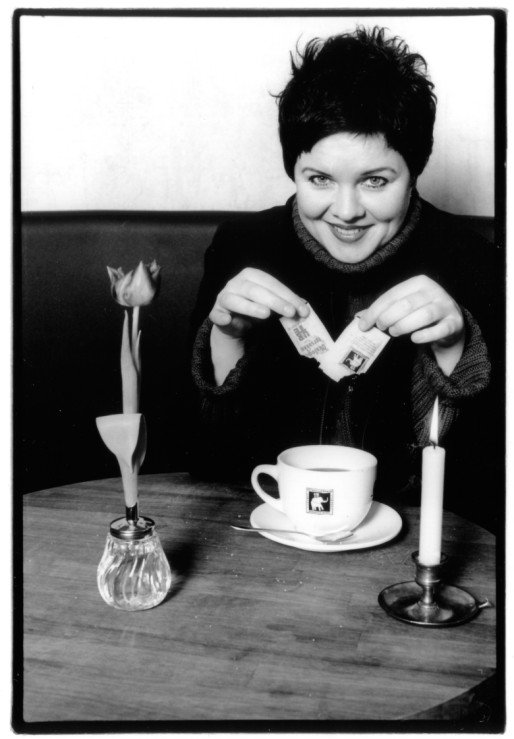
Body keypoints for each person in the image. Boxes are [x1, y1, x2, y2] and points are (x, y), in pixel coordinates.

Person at [188, 27, 502, 531]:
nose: (347, 210)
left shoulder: (472, 261)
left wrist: (456, 350)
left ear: (414, 172)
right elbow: (203, 460)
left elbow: (486, 486)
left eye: (375, 181)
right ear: (293, 170)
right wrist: (227, 342)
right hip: (268, 534)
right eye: (320, 180)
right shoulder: (242, 247)